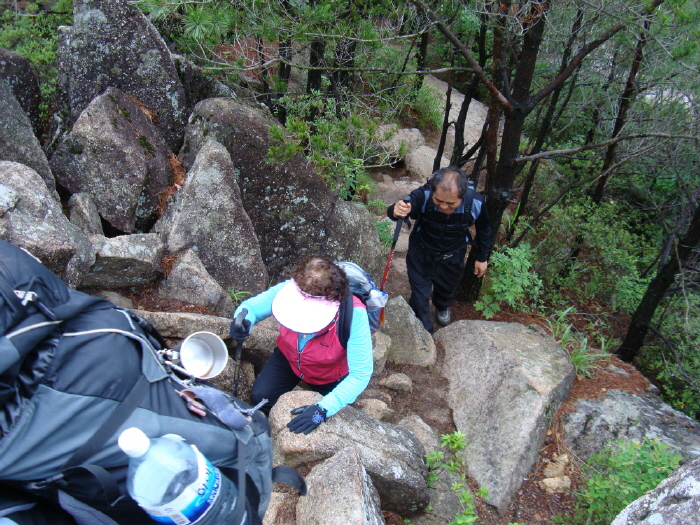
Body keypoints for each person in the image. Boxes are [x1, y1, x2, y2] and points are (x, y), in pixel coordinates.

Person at [230, 256, 373, 434]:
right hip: (288, 358)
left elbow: (360, 374)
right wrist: (243, 321)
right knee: (261, 397)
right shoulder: (292, 288)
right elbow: (251, 308)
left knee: (337, 414)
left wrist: (322, 410)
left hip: (330, 374)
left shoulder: (354, 314)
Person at [387, 166, 493, 333]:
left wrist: (482, 257)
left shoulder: (476, 203)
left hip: (453, 255)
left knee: (447, 288)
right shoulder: (424, 195)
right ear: (433, 190)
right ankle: (424, 331)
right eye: (439, 201)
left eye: (451, 203)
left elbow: (485, 229)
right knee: (419, 296)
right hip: (421, 252)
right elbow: (401, 208)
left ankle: (442, 306)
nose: (443, 206)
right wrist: (396, 210)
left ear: (463, 195)